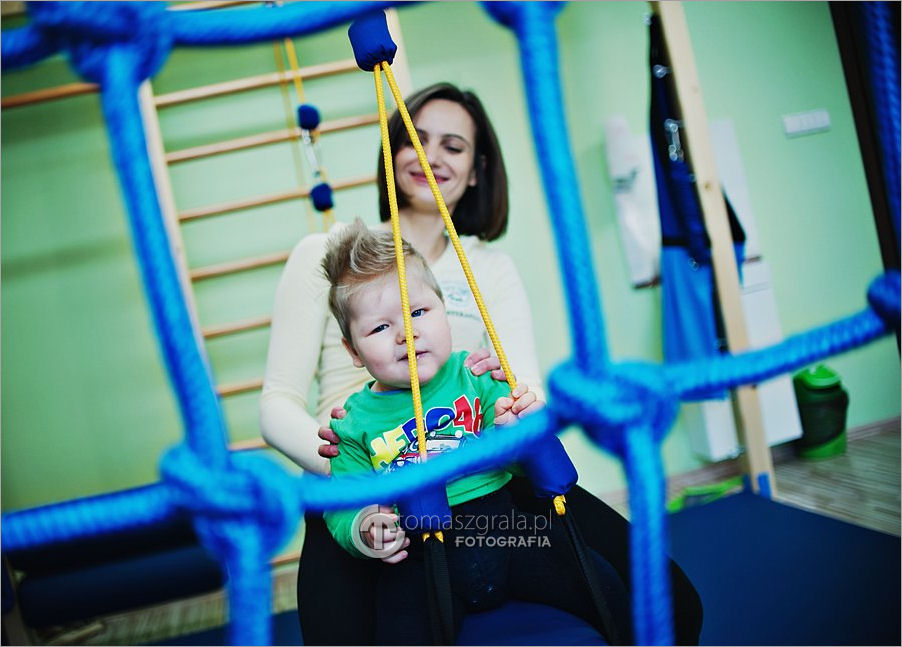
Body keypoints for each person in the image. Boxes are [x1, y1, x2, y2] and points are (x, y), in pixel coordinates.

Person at [260, 82, 703, 645]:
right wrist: (368, 479)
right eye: (417, 140)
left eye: (453, 146)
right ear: (392, 152)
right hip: (360, 483)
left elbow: (521, 386)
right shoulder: (330, 256)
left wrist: (516, 413)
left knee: (672, 603)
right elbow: (276, 405)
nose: (432, 157)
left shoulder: (489, 267)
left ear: (476, 170)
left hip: (484, 479)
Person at [319, 220, 630, 645]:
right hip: (422, 558)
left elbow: (520, 467)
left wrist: (512, 433)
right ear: (353, 350)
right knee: (395, 629)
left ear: (444, 308)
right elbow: (343, 502)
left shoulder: (477, 375)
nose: (406, 333)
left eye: (417, 312)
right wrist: (365, 527)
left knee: (600, 580)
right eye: (380, 328)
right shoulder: (352, 424)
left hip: (509, 532)